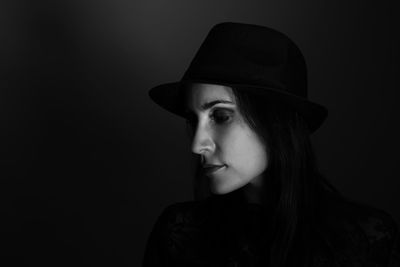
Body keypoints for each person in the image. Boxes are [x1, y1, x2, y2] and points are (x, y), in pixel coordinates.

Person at [142, 22, 399, 267]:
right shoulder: (179, 234)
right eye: (191, 120)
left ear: (275, 123)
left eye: (221, 116)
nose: (197, 145)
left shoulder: (369, 239)